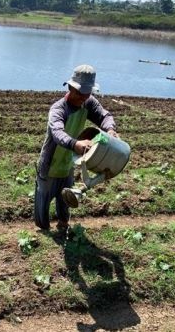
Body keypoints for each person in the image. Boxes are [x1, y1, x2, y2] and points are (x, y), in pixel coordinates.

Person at [34, 64, 118, 231]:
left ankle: (63, 225)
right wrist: (76, 144)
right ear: (71, 87)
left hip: (68, 163)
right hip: (50, 164)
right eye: (80, 93)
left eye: (88, 93)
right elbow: (57, 133)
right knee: (43, 203)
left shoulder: (88, 102)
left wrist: (110, 129)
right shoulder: (58, 109)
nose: (84, 97)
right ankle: (43, 230)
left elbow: (104, 115)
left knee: (66, 198)